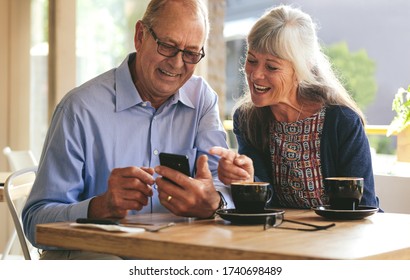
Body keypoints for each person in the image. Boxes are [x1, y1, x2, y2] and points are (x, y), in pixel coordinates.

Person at [23, 0, 231, 260]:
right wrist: (99, 207)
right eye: (167, 46)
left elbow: (222, 189)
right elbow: (35, 222)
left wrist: (215, 202)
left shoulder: (202, 100)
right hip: (102, 258)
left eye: (191, 54)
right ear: (140, 36)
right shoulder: (79, 109)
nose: (178, 64)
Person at [210, 5, 380, 210]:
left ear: (302, 69)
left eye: (271, 66)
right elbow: (263, 204)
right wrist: (246, 180)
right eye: (252, 60)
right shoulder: (247, 119)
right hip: (284, 236)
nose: (255, 75)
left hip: (341, 237)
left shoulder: (342, 120)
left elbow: (364, 204)